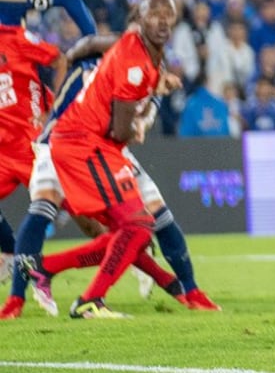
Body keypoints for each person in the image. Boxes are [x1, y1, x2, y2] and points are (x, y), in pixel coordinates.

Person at [5, 30, 218, 318]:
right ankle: (25, 296)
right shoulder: (98, 70)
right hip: (66, 145)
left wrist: (143, 118)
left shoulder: (139, 70)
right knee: (119, 224)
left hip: (103, 150)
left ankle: (183, 288)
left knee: (138, 225)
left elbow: (148, 104)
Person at [19, 0, 177, 319]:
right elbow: (120, 133)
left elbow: (91, 44)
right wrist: (146, 114)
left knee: (131, 229)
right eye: (154, 15)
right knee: (136, 226)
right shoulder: (135, 63)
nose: (162, 21)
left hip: (83, 143)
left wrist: (73, 55)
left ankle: (46, 269)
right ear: (139, 19)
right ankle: (87, 299)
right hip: (83, 145)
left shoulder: (138, 50)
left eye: (168, 15)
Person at [0, 19, 66, 290]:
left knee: (85, 212)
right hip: (3, 150)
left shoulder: (16, 37)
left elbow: (59, 60)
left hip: (31, 144)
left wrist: (55, 112)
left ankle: (134, 250)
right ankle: (12, 254)